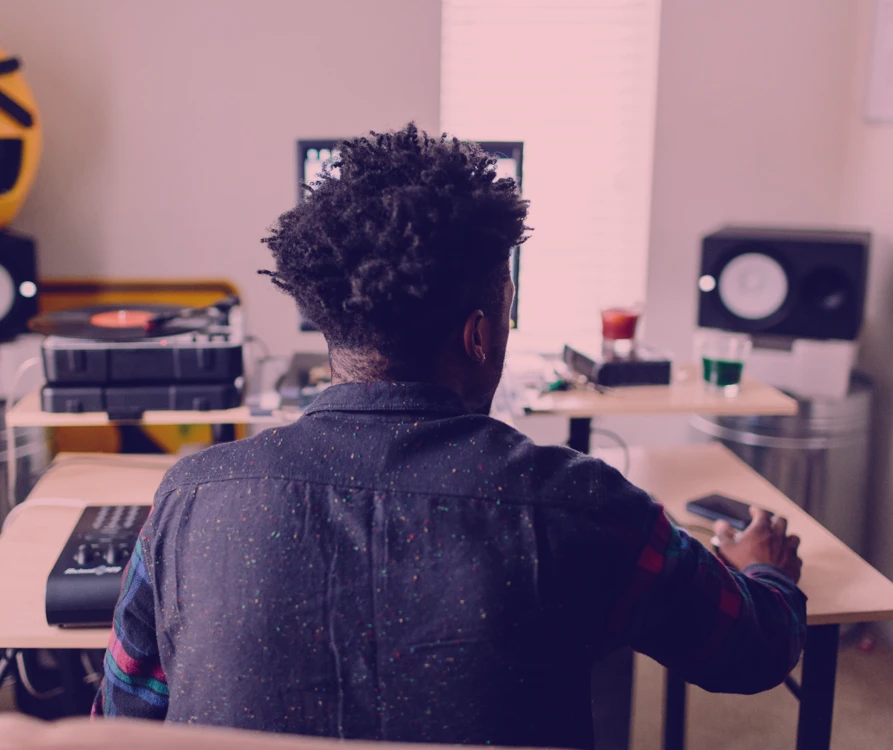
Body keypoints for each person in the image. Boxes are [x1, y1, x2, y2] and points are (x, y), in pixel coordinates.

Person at [92, 123, 805, 748]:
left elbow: (121, 721)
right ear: (478, 335)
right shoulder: (583, 506)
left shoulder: (189, 498)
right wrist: (764, 571)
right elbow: (753, 650)